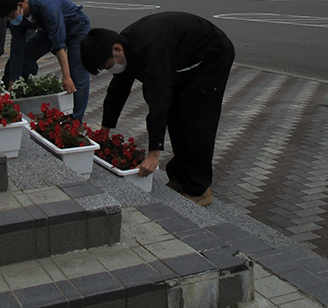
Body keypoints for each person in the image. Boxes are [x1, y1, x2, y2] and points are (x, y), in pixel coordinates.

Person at [79, 12, 235, 206]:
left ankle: (199, 189)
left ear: (116, 49)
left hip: (212, 58)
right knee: (175, 116)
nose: (109, 71)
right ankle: (179, 177)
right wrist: (105, 129)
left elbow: (158, 100)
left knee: (197, 120)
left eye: (107, 65)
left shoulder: (149, 47)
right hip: (183, 62)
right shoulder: (126, 48)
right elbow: (117, 91)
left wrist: (154, 153)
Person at [0, 0, 91, 121]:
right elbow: (17, 49)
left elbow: (58, 44)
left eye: (10, 16)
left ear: (20, 5)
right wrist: (13, 81)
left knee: (77, 75)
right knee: (26, 54)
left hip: (76, 28)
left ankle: (74, 121)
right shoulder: (17, 18)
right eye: (7, 18)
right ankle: (26, 92)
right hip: (48, 30)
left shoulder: (47, 6)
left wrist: (66, 76)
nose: (11, 20)